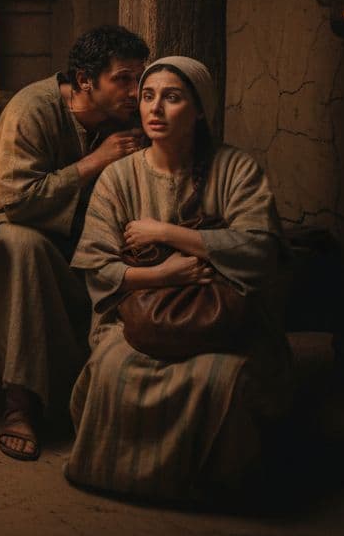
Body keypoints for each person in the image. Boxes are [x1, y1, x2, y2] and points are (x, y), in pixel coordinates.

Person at [65, 56, 291, 501]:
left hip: (222, 323)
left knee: (220, 377)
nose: (155, 109)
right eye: (148, 97)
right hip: (138, 320)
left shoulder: (236, 170)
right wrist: (161, 274)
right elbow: (96, 265)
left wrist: (168, 233)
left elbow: (261, 249)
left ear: (200, 109)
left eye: (172, 98)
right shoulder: (118, 177)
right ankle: (116, 474)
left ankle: (212, 488)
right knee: (113, 368)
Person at [0, 25, 149, 461]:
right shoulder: (32, 109)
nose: (134, 92)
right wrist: (96, 160)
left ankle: (103, 400)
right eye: (123, 79)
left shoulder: (133, 115)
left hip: (93, 235)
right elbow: (15, 200)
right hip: (23, 226)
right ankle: (20, 404)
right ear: (86, 80)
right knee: (22, 246)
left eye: (138, 80)